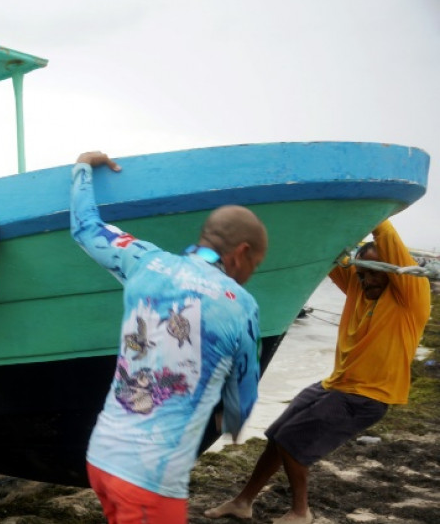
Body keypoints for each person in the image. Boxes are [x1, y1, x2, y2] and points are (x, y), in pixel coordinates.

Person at [72, 151, 267, 524]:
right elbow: (243, 398)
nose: (250, 274)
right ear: (241, 254)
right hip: (150, 481)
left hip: (100, 459)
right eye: (254, 265)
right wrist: (230, 424)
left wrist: (82, 166)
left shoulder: (145, 260)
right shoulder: (241, 306)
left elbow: (85, 228)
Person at [204, 219, 430, 524]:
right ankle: (243, 502)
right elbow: (328, 250)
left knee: (293, 442)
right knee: (276, 435)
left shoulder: (410, 296)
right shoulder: (358, 287)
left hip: (367, 396)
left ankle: (301, 512)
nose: (366, 282)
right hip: (334, 385)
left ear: (393, 270)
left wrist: (362, 205)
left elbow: (385, 232)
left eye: (376, 274)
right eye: (362, 274)